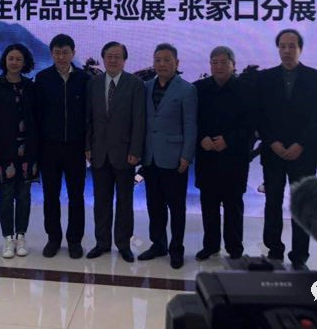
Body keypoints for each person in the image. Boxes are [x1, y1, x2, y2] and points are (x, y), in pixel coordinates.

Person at [257, 29, 317, 269]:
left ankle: (299, 256)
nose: (287, 50)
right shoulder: (265, 78)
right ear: (278, 49)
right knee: (272, 204)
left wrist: (301, 144)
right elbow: (260, 115)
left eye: (292, 46)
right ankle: (274, 250)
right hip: (273, 152)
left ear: (300, 49)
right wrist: (273, 142)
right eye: (282, 46)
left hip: (303, 154)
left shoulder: (316, 78)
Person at [193, 46, 256, 261]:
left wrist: (228, 140)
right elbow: (192, 119)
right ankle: (210, 246)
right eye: (214, 62)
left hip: (234, 157)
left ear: (233, 65)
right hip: (207, 156)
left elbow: (251, 124)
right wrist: (201, 137)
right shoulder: (199, 89)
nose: (218, 66)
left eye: (223, 62)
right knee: (208, 204)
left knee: (233, 205)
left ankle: (234, 248)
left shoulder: (246, 90)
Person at [85, 41, 145, 263]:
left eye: (117, 56)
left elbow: (139, 120)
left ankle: (123, 244)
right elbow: (88, 118)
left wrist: (135, 150)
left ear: (124, 60)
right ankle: (102, 243)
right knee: (101, 201)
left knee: (124, 202)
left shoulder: (135, 84)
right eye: (109, 56)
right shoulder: (93, 83)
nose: (113, 60)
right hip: (99, 152)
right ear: (103, 58)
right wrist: (87, 146)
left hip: (125, 153)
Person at [138, 43, 196, 269]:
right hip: (150, 157)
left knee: (177, 207)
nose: (162, 64)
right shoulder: (146, 87)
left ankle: (176, 248)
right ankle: (158, 244)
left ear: (176, 63)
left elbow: (190, 125)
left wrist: (186, 156)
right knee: (154, 205)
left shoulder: (187, 90)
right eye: (158, 60)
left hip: (175, 158)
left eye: (167, 60)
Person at [33, 33, 90, 259]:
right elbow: (36, 116)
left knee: (76, 196)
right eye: (57, 52)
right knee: (50, 196)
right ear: (51, 54)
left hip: (76, 148)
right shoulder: (43, 78)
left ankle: (74, 240)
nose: (61, 57)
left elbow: (89, 116)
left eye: (65, 52)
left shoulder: (84, 79)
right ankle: (53, 239)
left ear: (73, 53)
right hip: (49, 148)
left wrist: (88, 145)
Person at [0, 43, 38, 258]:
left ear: (25, 63)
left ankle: (21, 235)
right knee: (6, 195)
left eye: (18, 59)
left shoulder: (31, 86)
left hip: (28, 150)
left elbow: (38, 117)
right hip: (4, 150)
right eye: (11, 58)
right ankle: (7, 238)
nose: (14, 62)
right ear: (5, 61)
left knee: (24, 195)